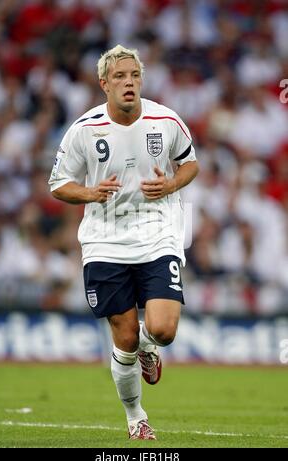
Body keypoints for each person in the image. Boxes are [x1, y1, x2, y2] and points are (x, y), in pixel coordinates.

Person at [49, 45, 199, 440]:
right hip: (105, 239)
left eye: (134, 75)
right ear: (104, 84)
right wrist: (90, 193)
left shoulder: (165, 119)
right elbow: (58, 185)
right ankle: (136, 420)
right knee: (126, 338)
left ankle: (153, 348)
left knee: (163, 330)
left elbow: (190, 162)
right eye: (119, 76)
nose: (128, 82)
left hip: (157, 229)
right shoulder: (84, 129)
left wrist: (170, 183)